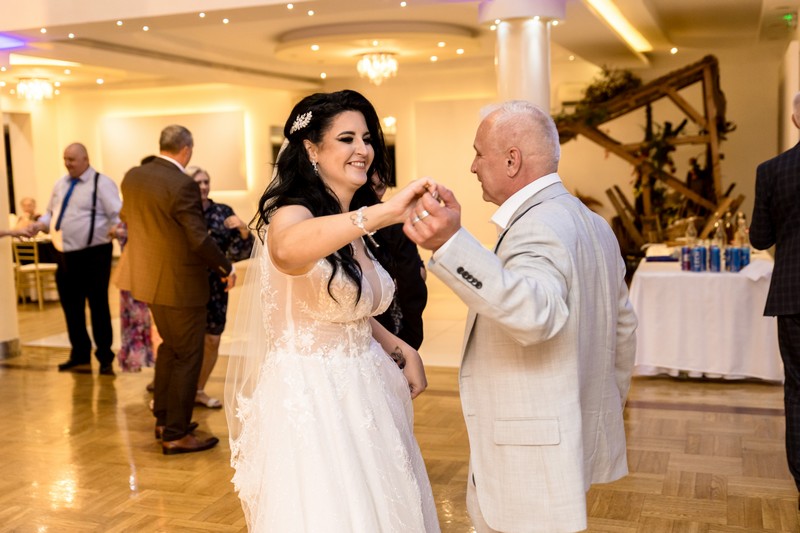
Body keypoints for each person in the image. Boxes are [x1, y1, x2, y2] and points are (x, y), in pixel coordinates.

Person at [404, 100, 637, 533]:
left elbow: (534, 314)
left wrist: (450, 244)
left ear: (512, 160)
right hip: (569, 432)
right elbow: (623, 330)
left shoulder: (538, 226)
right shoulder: (592, 222)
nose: (473, 166)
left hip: (531, 447)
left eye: (479, 153)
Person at [224, 90, 440, 531]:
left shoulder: (348, 218)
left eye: (367, 138)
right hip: (314, 396)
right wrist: (382, 213)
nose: (363, 149)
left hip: (366, 386)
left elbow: (346, 308)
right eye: (346, 139)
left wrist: (398, 347)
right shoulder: (292, 213)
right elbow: (287, 250)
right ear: (311, 149)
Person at [118, 125, 234, 455]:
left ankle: (164, 418)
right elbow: (197, 238)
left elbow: (129, 217)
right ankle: (176, 433)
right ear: (186, 149)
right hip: (180, 284)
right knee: (188, 354)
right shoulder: (182, 184)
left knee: (171, 348)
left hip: (148, 278)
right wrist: (225, 266)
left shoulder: (134, 176)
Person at [24, 143, 121, 375]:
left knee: (98, 305)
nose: (67, 164)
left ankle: (105, 357)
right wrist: (40, 224)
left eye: (72, 159)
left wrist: (116, 229)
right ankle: (80, 354)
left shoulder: (101, 184)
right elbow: (52, 213)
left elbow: (117, 214)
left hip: (95, 252)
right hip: (66, 254)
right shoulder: (61, 184)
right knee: (71, 306)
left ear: (85, 159)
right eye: (65, 159)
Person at [750, 90, 800, 509]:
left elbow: (760, 238)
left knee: (798, 390)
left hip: (793, 293)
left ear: (796, 119)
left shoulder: (773, 170)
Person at [186, 165, 254, 408]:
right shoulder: (183, 212)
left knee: (213, 340)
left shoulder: (222, 212)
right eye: (198, 182)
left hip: (216, 287)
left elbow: (239, 252)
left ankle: (198, 390)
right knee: (185, 343)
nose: (204, 186)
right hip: (186, 286)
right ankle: (176, 393)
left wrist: (244, 230)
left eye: (206, 181)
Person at [370, 171, 428, 352]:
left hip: (393, 332)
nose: (375, 195)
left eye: (380, 187)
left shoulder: (395, 224)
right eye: (369, 186)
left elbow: (414, 278)